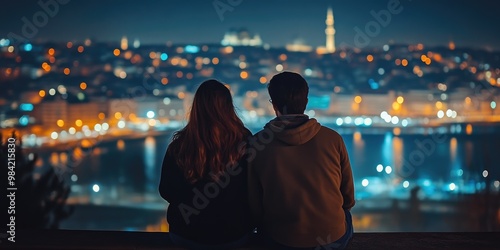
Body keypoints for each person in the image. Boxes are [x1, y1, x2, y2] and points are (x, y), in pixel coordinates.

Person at [248, 71, 355, 249]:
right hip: (331, 237)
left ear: (274, 104)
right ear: (305, 102)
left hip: (282, 239)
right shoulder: (333, 139)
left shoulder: (257, 145)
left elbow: (254, 206)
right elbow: (348, 199)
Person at [159, 79, 254, 249]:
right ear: (228, 106)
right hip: (233, 235)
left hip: (185, 235)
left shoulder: (179, 146)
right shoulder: (245, 142)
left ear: (196, 107)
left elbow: (166, 190)